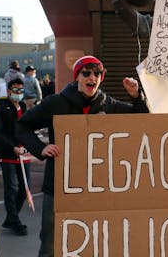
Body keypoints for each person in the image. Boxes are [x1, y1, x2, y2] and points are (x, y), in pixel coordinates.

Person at [16, 56, 149, 257]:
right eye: (86, 73)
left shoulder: (107, 103)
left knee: (94, 243)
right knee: (51, 243)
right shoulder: (56, 103)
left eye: (97, 73)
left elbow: (142, 120)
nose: (92, 77)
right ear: (77, 76)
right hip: (58, 187)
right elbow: (22, 126)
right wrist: (40, 148)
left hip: (96, 188)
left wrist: (136, 96)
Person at [0, 78, 31, 236]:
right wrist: (12, 147)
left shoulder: (23, 106)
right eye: (15, 90)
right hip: (8, 153)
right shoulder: (1, 108)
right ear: (8, 91)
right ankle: (15, 221)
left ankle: (11, 218)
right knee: (11, 188)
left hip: (23, 153)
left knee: (24, 188)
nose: (18, 93)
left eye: (21, 90)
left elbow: (27, 127)